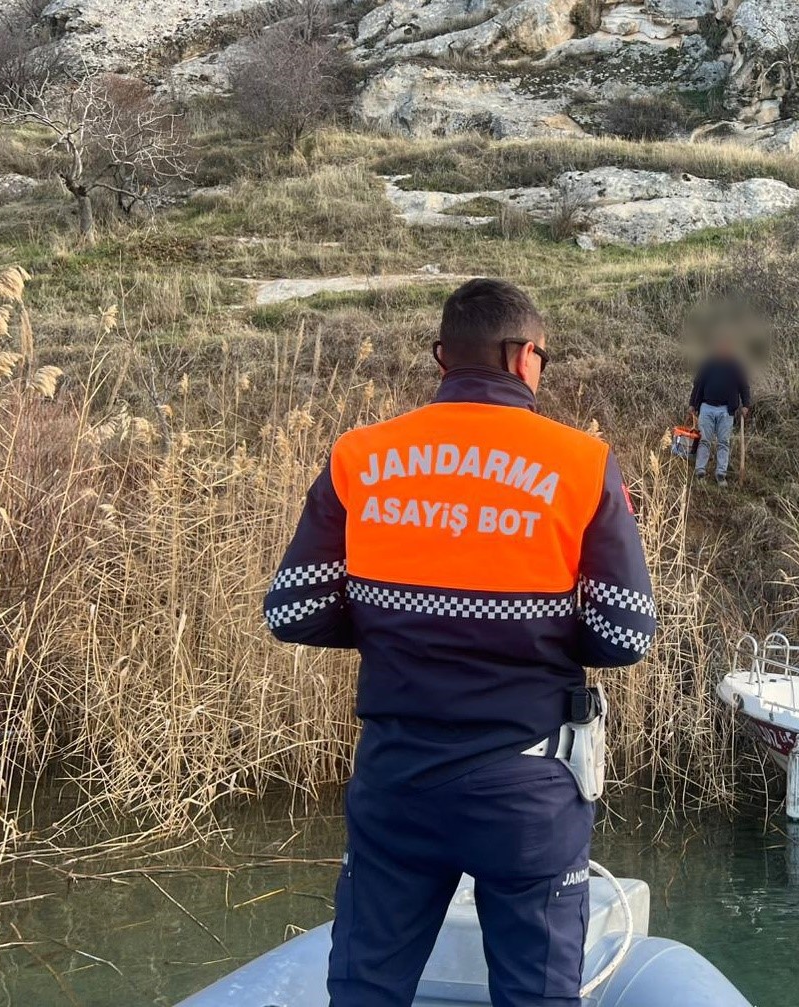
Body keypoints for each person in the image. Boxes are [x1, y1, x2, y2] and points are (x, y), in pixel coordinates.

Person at [262, 277, 657, 1007]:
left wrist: (396, 622)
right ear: (523, 356)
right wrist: (530, 631)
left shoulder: (361, 454)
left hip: (396, 779)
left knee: (366, 989)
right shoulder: (579, 461)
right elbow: (623, 630)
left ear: (443, 357)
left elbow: (293, 610)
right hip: (525, 786)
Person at [687, 341, 751, 485]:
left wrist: (746, 405)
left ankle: (721, 474)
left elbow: (744, 387)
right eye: (720, 347)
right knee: (704, 440)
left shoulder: (735, 366)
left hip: (726, 410)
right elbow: (698, 384)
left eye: (726, 348)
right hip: (707, 407)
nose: (723, 350)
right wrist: (692, 404)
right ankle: (700, 471)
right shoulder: (709, 363)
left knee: (723, 442)